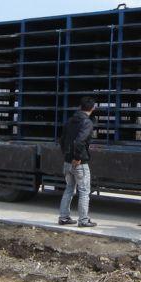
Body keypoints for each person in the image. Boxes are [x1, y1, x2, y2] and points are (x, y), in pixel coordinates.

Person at [58, 96, 97, 228]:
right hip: (79, 163)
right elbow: (80, 141)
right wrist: (77, 157)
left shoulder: (70, 121)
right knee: (84, 191)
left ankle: (63, 218)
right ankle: (83, 220)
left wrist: (67, 156)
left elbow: (62, 140)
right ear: (93, 108)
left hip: (67, 162)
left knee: (69, 189)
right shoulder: (87, 123)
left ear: (80, 107)